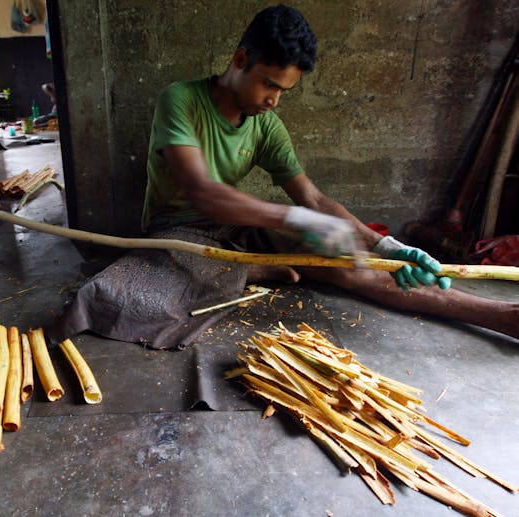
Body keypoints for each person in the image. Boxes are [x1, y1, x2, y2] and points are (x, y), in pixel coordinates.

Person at [53, 4, 518, 346]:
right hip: (178, 233)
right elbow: (202, 191)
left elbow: (313, 200)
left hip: (237, 230)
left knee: (349, 263)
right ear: (240, 61)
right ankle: (257, 269)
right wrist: (292, 221)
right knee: (119, 293)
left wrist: (385, 247)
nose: (275, 99)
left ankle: (501, 316)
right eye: (269, 84)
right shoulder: (180, 101)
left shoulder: (267, 124)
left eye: (284, 91)